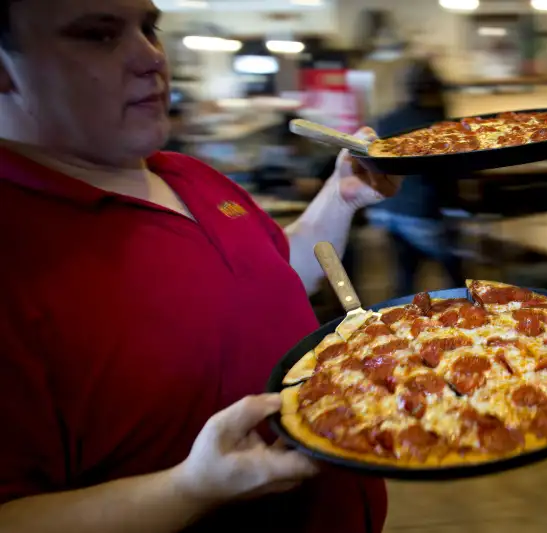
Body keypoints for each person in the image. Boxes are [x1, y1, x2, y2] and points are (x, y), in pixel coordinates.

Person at [0, 0, 400, 532]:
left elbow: (276, 276)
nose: (151, 57)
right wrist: (187, 489)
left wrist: (339, 198)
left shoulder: (187, 174)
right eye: (98, 35)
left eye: (149, 28)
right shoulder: (16, 246)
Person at [366, 59, 463, 296]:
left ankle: (401, 320)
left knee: (405, 272)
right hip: (420, 211)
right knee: (455, 268)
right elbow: (451, 171)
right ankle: (472, 312)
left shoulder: (387, 119)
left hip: (386, 208)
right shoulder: (438, 121)